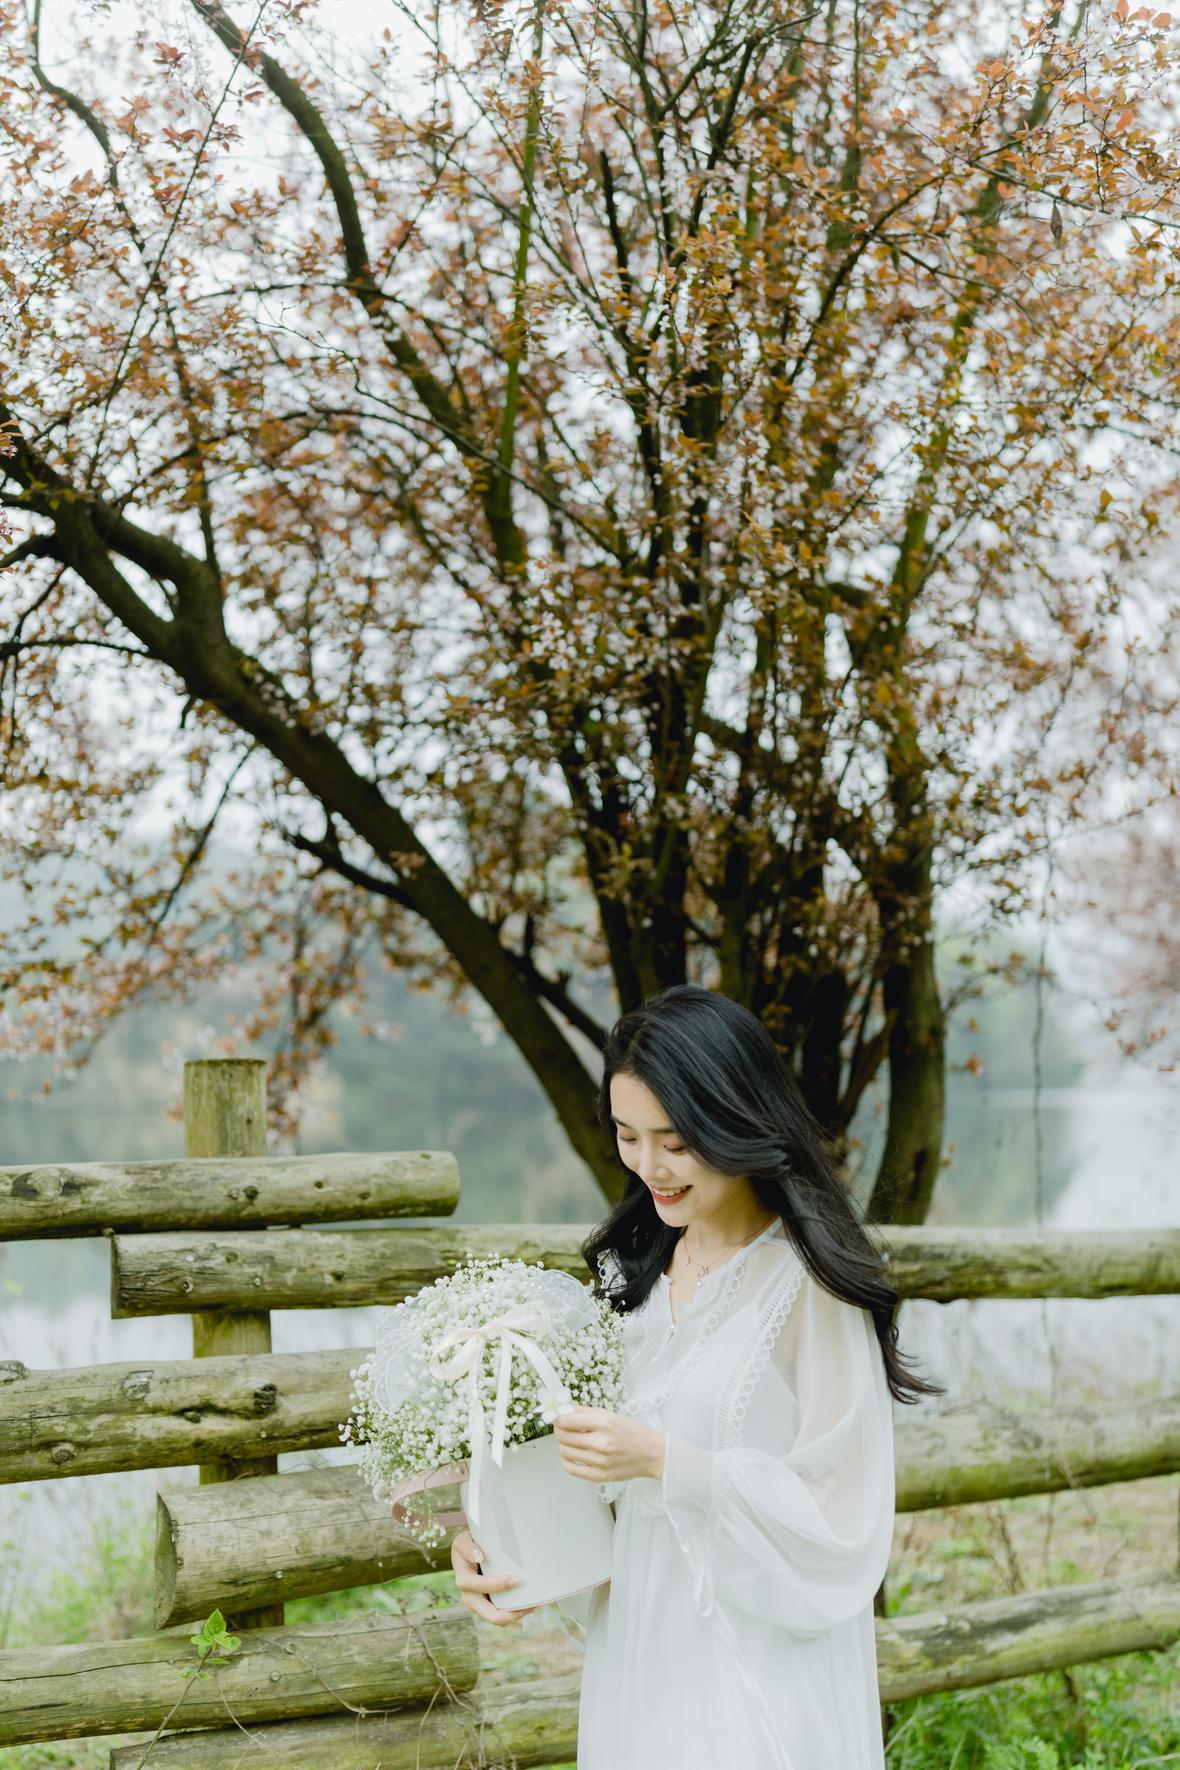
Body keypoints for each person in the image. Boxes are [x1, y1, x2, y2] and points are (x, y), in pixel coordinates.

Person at [451, 983, 944, 1769]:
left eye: (676, 1142)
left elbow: (843, 1517)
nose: (650, 1166)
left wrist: (664, 1460)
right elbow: (594, 1486)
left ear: (736, 1122)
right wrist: (496, 1545)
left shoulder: (809, 1286)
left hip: (759, 1664)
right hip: (640, 1656)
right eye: (627, 1135)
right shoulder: (629, 1280)